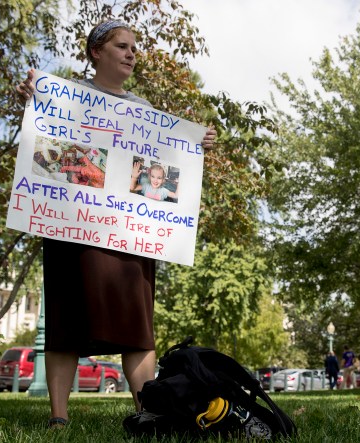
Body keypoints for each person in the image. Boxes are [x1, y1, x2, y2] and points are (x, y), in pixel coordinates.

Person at [15, 19, 217, 429]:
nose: (130, 54)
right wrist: (33, 100)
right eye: (121, 46)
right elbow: (46, 147)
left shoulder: (144, 111)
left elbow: (162, 167)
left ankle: (149, 413)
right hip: (71, 231)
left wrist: (196, 145)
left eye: (133, 49)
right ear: (96, 52)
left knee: (136, 324)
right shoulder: (64, 97)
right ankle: (59, 417)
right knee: (65, 321)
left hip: (129, 237)